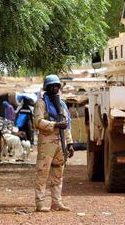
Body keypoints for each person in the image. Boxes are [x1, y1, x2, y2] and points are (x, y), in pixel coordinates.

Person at [34, 74, 74, 212]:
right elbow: (38, 122)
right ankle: (40, 204)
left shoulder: (61, 104)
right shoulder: (41, 103)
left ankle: (56, 202)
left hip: (60, 143)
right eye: (52, 86)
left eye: (57, 86)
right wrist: (55, 124)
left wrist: (70, 144)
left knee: (58, 174)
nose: (55, 88)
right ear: (47, 87)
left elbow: (67, 125)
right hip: (46, 143)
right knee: (42, 173)